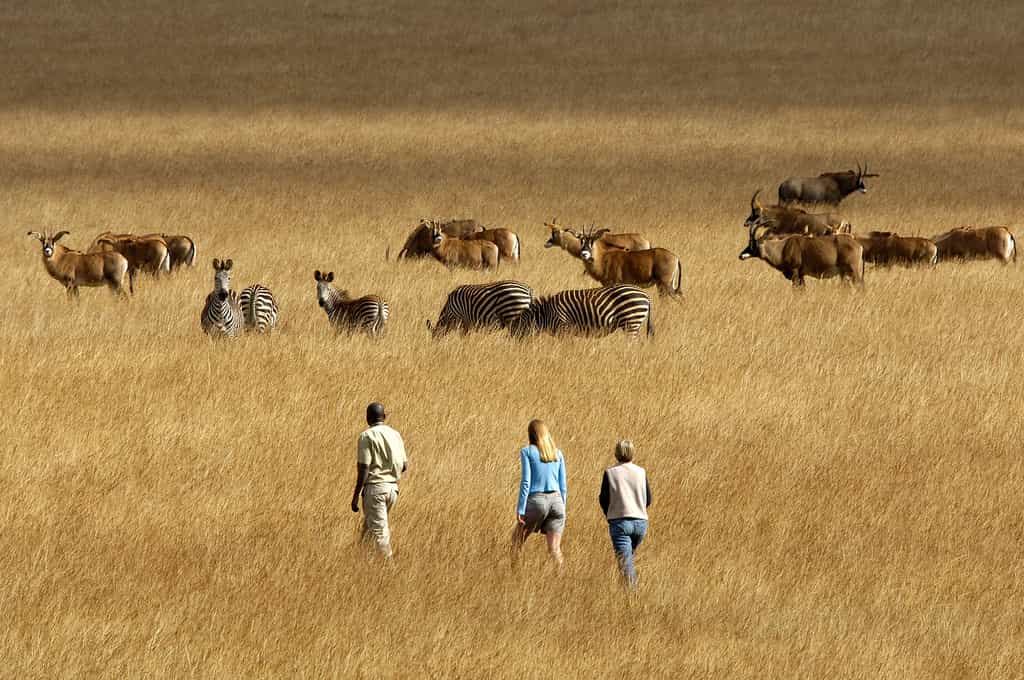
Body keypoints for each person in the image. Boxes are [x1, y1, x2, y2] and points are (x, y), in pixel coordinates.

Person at [351, 402, 408, 559]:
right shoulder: (395, 434)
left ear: (367, 418)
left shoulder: (366, 436)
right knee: (368, 533)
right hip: (392, 490)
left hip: (375, 491)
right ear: (384, 417)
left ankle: (389, 570)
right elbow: (404, 466)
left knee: (380, 535)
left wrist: (356, 496)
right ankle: (361, 566)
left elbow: (364, 468)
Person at [513, 419, 567, 565]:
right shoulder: (558, 454)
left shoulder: (527, 451)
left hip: (537, 500)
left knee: (516, 541)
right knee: (555, 549)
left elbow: (526, 482)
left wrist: (521, 508)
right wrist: (563, 508)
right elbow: (563, 486)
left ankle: (515, 574)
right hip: (558, 502)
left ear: (531, 434)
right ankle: (563, 580)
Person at [599, 440, 651, 587]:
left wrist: (609, 513)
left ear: (616, 453)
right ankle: (626, 594)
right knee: (628, 560)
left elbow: (603, 499)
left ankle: (633, 597)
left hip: (619, 523)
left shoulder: (610, 473)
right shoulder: (641, 472)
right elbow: (649, 499)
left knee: (626, 566)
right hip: (641, 523)